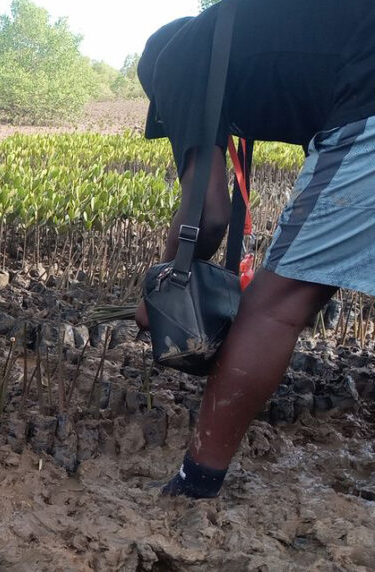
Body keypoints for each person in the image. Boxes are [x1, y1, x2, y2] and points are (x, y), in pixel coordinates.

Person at [136, 0, 375, 499]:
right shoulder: (242, 41)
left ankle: (195, 484)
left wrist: (158, 290)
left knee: (275, 305)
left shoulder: (178, 61)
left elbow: (208, 212)